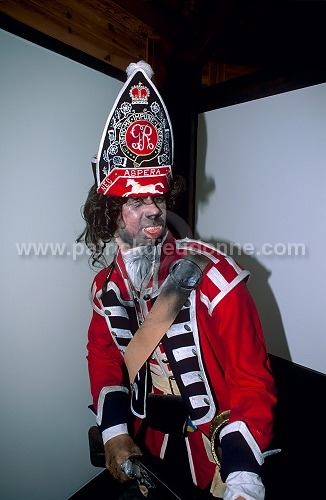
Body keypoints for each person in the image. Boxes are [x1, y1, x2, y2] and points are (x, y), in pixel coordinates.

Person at [80, 61, 278, 500]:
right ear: (108, 210)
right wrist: (113, 431)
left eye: (158, 197)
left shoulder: (215, 277)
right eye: (135, 200)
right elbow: (103, 357)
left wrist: (244, 476)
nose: (152, 212)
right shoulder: (105, 287)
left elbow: (251, 381)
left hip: (214, 445)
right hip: (147, 435)